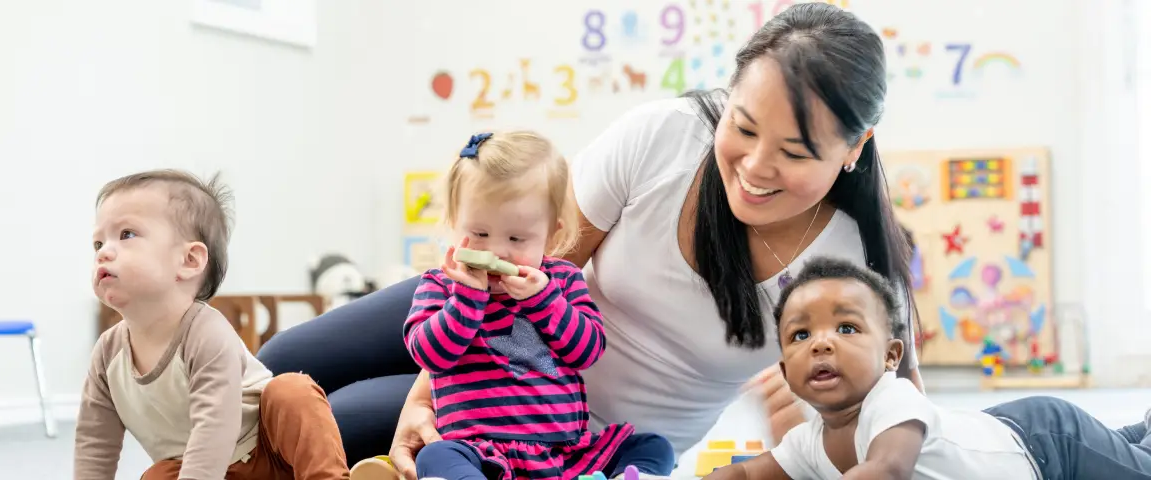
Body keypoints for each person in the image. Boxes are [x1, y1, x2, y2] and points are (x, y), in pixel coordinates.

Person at [256, 3, 923, 479]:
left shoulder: (854, 265)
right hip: (494, 316)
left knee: (325, 423)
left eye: (794, 151)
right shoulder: (665, 136)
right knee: (281, 360)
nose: (752, 168)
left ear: (854, 149)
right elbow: (547, 260)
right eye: (744, 128)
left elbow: (882, 430)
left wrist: (808, 440)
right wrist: (425, 395)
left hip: (562, 433)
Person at [376, 132, 674, 480]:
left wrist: (544, 301)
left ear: (551, 236)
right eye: (480, 233)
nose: (497, 251)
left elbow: (588, 350)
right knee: (437, 457)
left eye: (516, 238)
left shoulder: (561, 281)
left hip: (565, 453)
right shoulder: (441, 285)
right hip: (478, 451)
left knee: (653, 446)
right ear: (453, 223)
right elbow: (430, 355)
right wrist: (466, 301)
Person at [705, 256, 1151, 480]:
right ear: (785, 372)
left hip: (1048, 449)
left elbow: (886, 469)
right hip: (996, 433)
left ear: (891, 357)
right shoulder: (809, 442)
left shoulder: (891, 401)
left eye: (846, 327)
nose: (821, 343)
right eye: (801, 335)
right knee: (1124, 445)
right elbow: (747, 472)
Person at [74, 170, 350, 479]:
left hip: (271, 452)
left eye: (126, 235)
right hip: (198, 464)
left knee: (292, 392)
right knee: (158, 475)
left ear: (189, 260)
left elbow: (215, 426)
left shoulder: (206, 333)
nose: (104, 253)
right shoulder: (107, 355)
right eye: (98, 243)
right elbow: (94, 442)